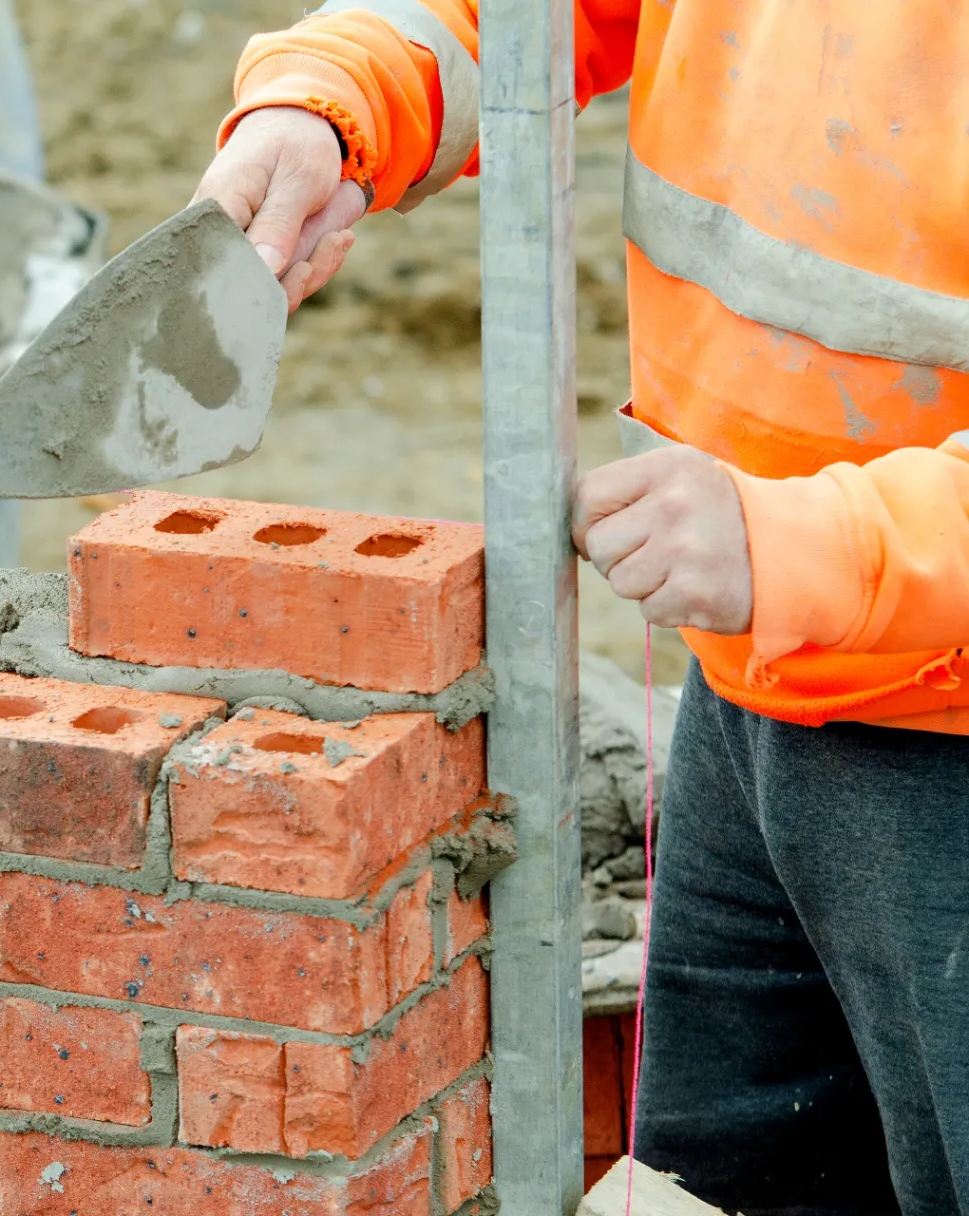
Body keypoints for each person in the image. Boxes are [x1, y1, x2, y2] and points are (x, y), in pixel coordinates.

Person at [193, 4, 969, 1211]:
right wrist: (328, 98)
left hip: (937, 728)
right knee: (729, 1181)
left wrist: (813, 543)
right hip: (755, 670)